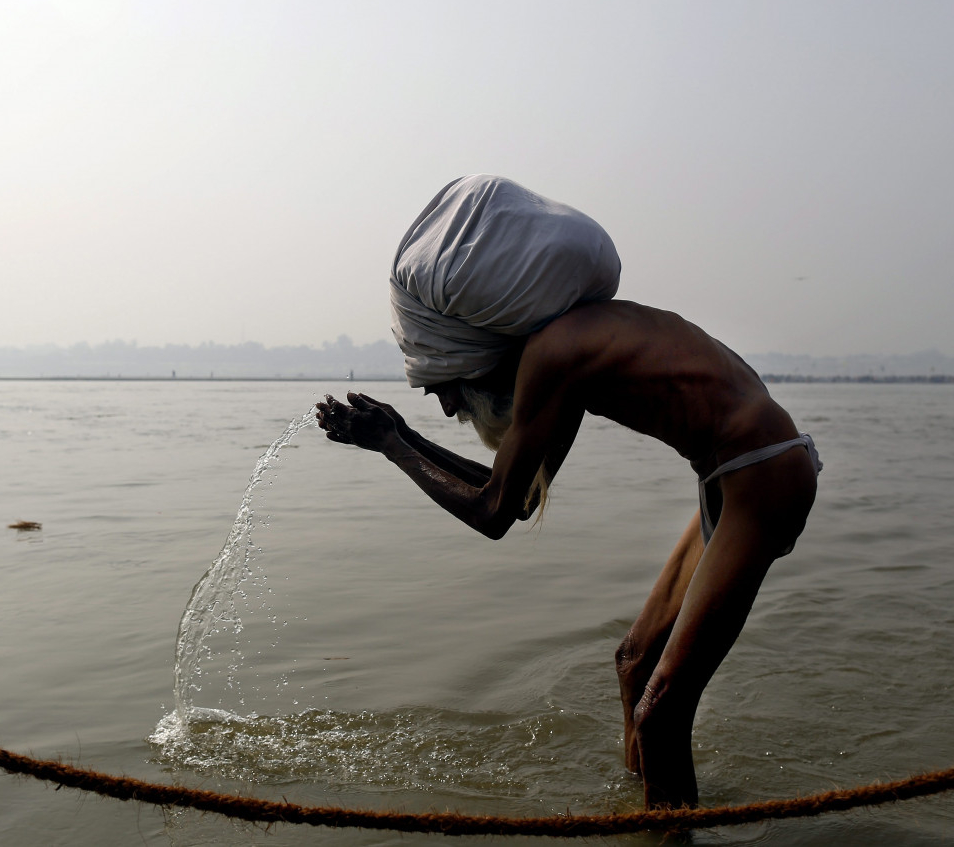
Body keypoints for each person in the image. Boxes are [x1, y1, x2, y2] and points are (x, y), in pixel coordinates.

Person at [315, 175, 821, 810]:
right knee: (635, 665)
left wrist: (393, 444)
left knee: (662, 712)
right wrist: (402, 434)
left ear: (473, 357)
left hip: (763, 475)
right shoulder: (566, 351)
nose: (449, 406)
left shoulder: (557, 352)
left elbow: (494, 514)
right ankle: (652, 812)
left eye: (443, 386)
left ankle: (671, 829)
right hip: (734, 475)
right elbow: (518, 496)